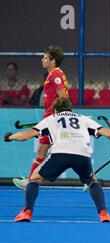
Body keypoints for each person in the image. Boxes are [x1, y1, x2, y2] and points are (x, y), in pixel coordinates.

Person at [3, 97, 110, 222]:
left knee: (35, 178)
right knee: (92, 181)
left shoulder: (50, 119)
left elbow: (24, 136)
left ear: (55, 110)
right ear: (71, 109)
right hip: (82, 155)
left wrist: (10, 137)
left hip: (60, 153)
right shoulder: (83, 119)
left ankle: (26, 212)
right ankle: (104, 213)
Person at [13, 46, 69, 190]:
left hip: (53, 119)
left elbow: (64, 98)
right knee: (43, 150)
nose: (42, 60)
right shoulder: (54, 74)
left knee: (59, 152)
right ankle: (31, 181)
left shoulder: (55, 75)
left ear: (53, 61)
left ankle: (31, 182)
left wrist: (58, 118)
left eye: (45, 58)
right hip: (50, 118)